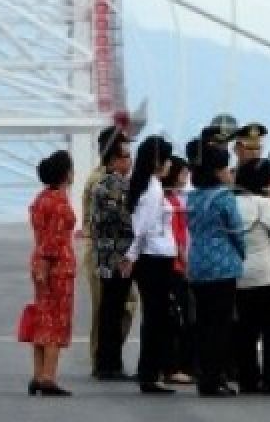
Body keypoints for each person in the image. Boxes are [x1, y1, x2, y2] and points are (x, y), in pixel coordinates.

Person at [187, 144, 246, 396]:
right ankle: (214, 377)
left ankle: (203, 375)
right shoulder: (224, 197)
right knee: (220, 325)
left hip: (198, 262)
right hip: (222, 265)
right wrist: (240, 254)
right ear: (217, 171)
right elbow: (237, 231)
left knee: (202, 322)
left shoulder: (193, 196)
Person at [122, 136, 178, 394]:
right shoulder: (153, 188)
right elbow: (142, 228)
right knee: (156, 318)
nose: (170, 165)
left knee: (154, 316)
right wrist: (131, 256)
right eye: (167, 160)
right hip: (155, 257)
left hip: (154, 256)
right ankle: (150, 373)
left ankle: (150, 371)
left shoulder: (144, 185)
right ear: (158, 162)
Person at [233, 158, 270, 395]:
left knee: (246, 331)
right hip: (267, 274)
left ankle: (247, 378)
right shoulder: (263, 204)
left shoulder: (233, 203)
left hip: (242, 274)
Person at [82, 127, 136, 376]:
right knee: (110, 309)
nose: (130, 160)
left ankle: (107, 359)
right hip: (112, 254)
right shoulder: (109, 183)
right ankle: (104, 361)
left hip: (109, 253)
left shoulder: (104, 180)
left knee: (116, 308)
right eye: (125, 155)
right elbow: (124, 218)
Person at [26, 151, 78, 397]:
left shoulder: (41, 199)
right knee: (56, 320)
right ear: (66, 173)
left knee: (42, 318)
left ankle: (38, 374)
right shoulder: (59, 201)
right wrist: (46, 268)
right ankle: (48, 376)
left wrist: (39, 268)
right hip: (57, 266)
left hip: (41, 262)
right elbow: (53, 240)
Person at [162, 156, 196, 385]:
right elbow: (176, 238)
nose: (186, 178)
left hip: (175, 264)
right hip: (175, 266)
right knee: (181, 318)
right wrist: (185, 262)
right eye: (183, 174)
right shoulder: (172, 203)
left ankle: (175, 365)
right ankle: (174, 366)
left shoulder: (173, 199)